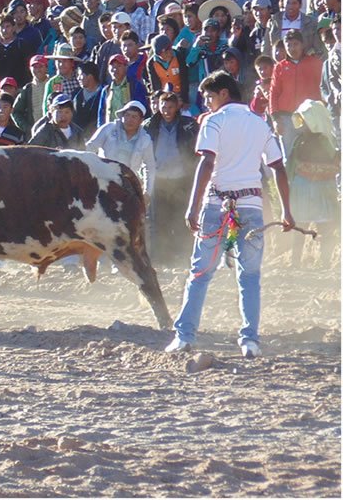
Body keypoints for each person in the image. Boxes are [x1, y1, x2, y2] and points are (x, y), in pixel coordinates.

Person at [165, 71, 294, 358]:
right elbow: (278, 167)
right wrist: (286, 211)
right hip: (251, 205)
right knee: (249, 276)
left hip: (217, 204)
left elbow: (208, 162)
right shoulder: (259, 123)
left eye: (210, 97)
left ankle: (185, 336)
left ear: (223, 93)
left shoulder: (214, 121)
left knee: (200, 273)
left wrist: (192, 205)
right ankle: (250, 340)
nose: (207, 103)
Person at [143, 91, 199, 262]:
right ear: (158, 106)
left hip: (181, 177)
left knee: (181, 218)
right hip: (158, 179)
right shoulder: (148, 125)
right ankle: (161, 258)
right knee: (159, 220)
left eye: (170, 107)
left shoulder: (188, 125)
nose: (166, 110)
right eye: (163, 106)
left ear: (177, 107)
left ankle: (185, 255)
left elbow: (196, 149)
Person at [287, 100, 339, 268]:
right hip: (305, 190)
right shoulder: (301, 140)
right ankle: (296, 262)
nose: (303, 124)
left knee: (324, 228)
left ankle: (324, 262)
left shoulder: (326, 141)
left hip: (318, 190)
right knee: (301, 228)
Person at [269, 29, 323, 161]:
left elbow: (323, 88)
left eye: (295, 44)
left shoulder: (315, 63)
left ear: (302, 45)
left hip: (311, 116)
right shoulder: (280, 67)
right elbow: (273, 93)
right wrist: (275, 119)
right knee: (289, 157)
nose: (292, 48)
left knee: (313, 155)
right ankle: (290, 182)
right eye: (289, 45)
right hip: (286, 118)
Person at [86, 100, 155, 201]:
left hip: (127, 184)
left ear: (141, 120)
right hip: (102, 180)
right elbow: (90, 148)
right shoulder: (108, 128)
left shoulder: (145, 139)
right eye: (127, 115)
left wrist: (147, 192)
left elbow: (149, 166)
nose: (129, 120)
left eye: (134, 117)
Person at [12, 54, 49, 136]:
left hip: (53, 132)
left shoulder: (53, 84)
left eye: (41, 66)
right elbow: (15, 112)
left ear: (46, 68)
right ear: (30, 69)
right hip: (35, 133)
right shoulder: (27, 89)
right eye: (35, 67)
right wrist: (28, 129)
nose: (38, 70)